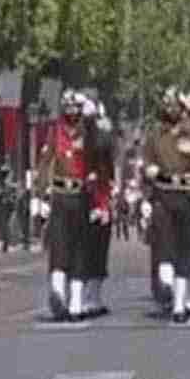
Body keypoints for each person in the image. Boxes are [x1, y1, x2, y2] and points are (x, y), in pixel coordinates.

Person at [143, 87, 190, 323]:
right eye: (167, 105)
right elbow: (147, 163)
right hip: (163, 196)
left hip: (186, 198)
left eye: (175, 105)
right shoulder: (155, 136)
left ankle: (180, 305)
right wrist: (146, 197)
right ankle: (170, 290)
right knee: (164, 247)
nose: (170, 109)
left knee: (185, 252)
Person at [36, 90, 102, 321]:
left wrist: (93, 119)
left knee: (79, 249)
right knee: (59, 246)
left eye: (76, 108)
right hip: (60, 196)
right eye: (68, 107)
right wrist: (41, 195)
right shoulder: (55, 132)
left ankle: (75, 301)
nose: (72, 111)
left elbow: (98, 152)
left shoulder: (88, 131)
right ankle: (57, 291)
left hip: (81, 195)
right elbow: (45, 163)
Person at [81, 100, 115, 319]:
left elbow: (106, 175)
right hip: (82, 201)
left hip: (97, 199)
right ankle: (84, 297)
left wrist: (103, 204)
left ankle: (92, 297)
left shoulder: (101, 143)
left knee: (98, 250)